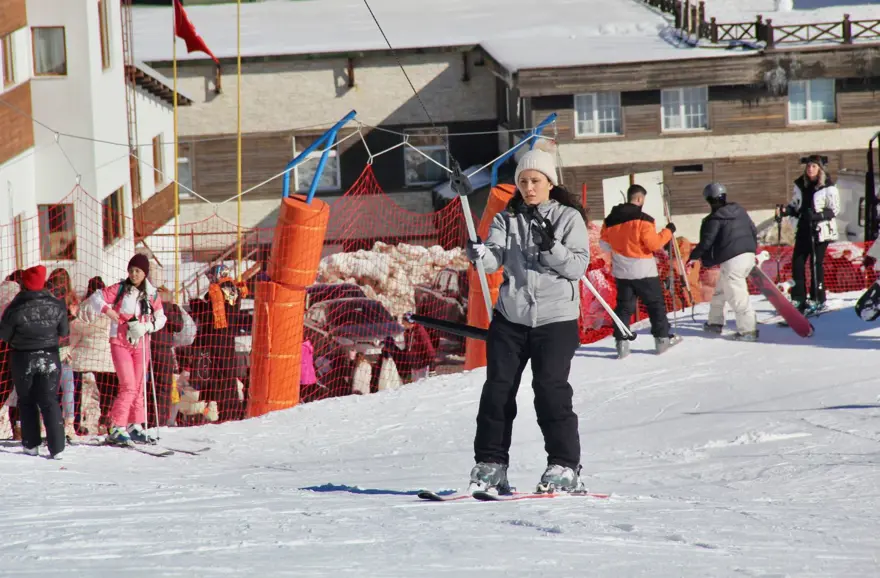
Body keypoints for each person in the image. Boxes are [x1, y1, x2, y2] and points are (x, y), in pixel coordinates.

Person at [465, 147, 589, 494]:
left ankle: (564, 464)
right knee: (497, 390)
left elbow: (577, 267)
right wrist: (481, 253)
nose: (528, 187)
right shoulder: (507, 219)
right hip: (512, 317)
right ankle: (491, 464)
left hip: (556, 318)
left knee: (550, 390)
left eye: (535, 180)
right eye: (522, 181)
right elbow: (493, 259)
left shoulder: (568, 218)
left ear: (549, 182)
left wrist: (551, 247)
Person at [84, 254, 166, 445]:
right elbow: (96, 298)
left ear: (145, 273)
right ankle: (116, 425)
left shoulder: (152, 293)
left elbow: (161, 318)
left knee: (138, 386)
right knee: (128, 385)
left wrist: (147, 327)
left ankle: (134, 424)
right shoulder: (121, 288)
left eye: (137, 271)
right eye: (131, 270)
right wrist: (109, 312)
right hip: (120, 341)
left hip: (141, 342)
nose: (134, 274)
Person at [599, 184, 682, 359]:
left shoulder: (610, 220)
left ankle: (621, 345)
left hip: (622, 271)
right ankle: (662, 340)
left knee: (623, 307)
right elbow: (654, 244)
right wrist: (669, 231)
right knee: (655, 306)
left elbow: (604, 244)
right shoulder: (644, 219)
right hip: (644, 270)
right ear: (639, 199)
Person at [0, 265, 69, 459]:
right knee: (49, 400)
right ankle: (57, 447)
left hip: (23, 357)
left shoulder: (15, 306)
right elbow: (64, 332)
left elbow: (3, 334)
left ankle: (31, 444)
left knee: (27, 400)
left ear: (24, 284)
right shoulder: (57, 304)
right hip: (50, 356)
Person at [688, 183, 759, 341]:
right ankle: (715, 322)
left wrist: (693, 257)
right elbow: (754, 230)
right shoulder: (740, 212)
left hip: (733, 260)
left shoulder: (715, 218)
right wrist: (752, 249)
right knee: (721, 290)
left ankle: (748, 331)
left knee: (737, 296)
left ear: (708, 200)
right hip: (748, 255)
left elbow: (706, 242)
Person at [776, 155, 840, 314]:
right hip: (803, 228)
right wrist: (786, 211)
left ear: (820, 169)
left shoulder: (828, 187)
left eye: (814, 166)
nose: (810, 169)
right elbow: (795, 206)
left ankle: (818, 298)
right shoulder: (800, 185)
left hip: (820, 230)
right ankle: (799, 297)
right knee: (797, 262)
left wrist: (817, 216)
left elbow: (834, 209)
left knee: (815, 264)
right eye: (809, 166)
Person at [69, 277, 119, 435]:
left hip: (84, 355)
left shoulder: (83, 307)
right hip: (106, 356)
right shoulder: (112, 308)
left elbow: (75, 334)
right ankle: (105, 419)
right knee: (107, 391)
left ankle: (75, 422)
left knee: (75, 390)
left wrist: (70, 350)